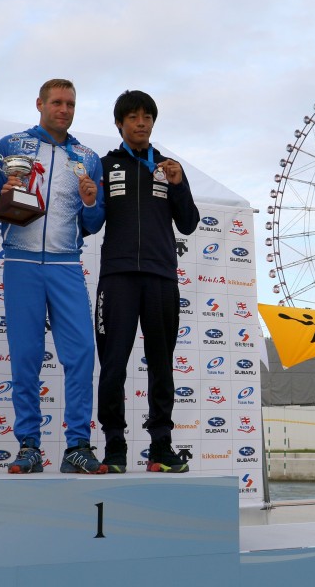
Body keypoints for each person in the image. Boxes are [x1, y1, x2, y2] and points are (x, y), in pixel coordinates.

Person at [0, 79, 105, 474]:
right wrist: (5, 192)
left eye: (70, 103)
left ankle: (77, 445)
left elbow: (92, 221)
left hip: (66, 263)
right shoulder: (11, 145)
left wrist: (90, 202)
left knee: (81, 354)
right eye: (57, 102)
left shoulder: (87, 157)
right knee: (25, 356)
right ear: (39, 103)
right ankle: (28, 445)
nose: (64, 109)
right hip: (21, 260)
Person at [96, 90, 200, 473]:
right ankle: (114, 446)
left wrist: (179, 184)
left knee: (162, 364)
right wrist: (90, 199)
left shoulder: (169, 166)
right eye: (134, 116)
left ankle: (161, 446)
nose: (141, 123)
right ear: (120, 123)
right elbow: (90, 223)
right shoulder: (105, 165)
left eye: (147, 117)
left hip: (160, 277)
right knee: (112, 364)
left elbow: (188, 222)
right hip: (117, 278)